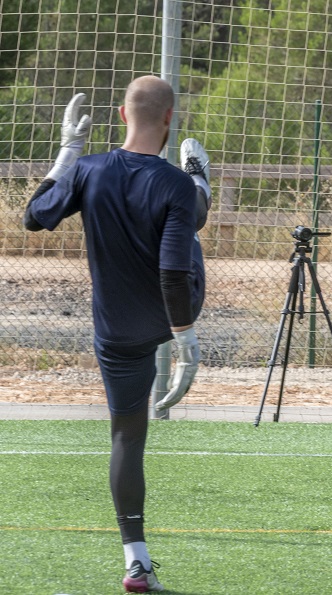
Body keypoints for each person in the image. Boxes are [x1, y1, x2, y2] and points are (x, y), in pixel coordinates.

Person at [23, 76, 212, 592]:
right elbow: (173, 270)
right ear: (169, 119)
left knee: (127, 436)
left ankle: (136, 560)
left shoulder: (87, 169)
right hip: (173, 308)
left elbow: (34, 217)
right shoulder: (170, 181)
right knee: (186, 216)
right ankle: (204, 187)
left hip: (117, 329)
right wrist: (186, 341)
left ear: (123, 117)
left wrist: (67, 155)